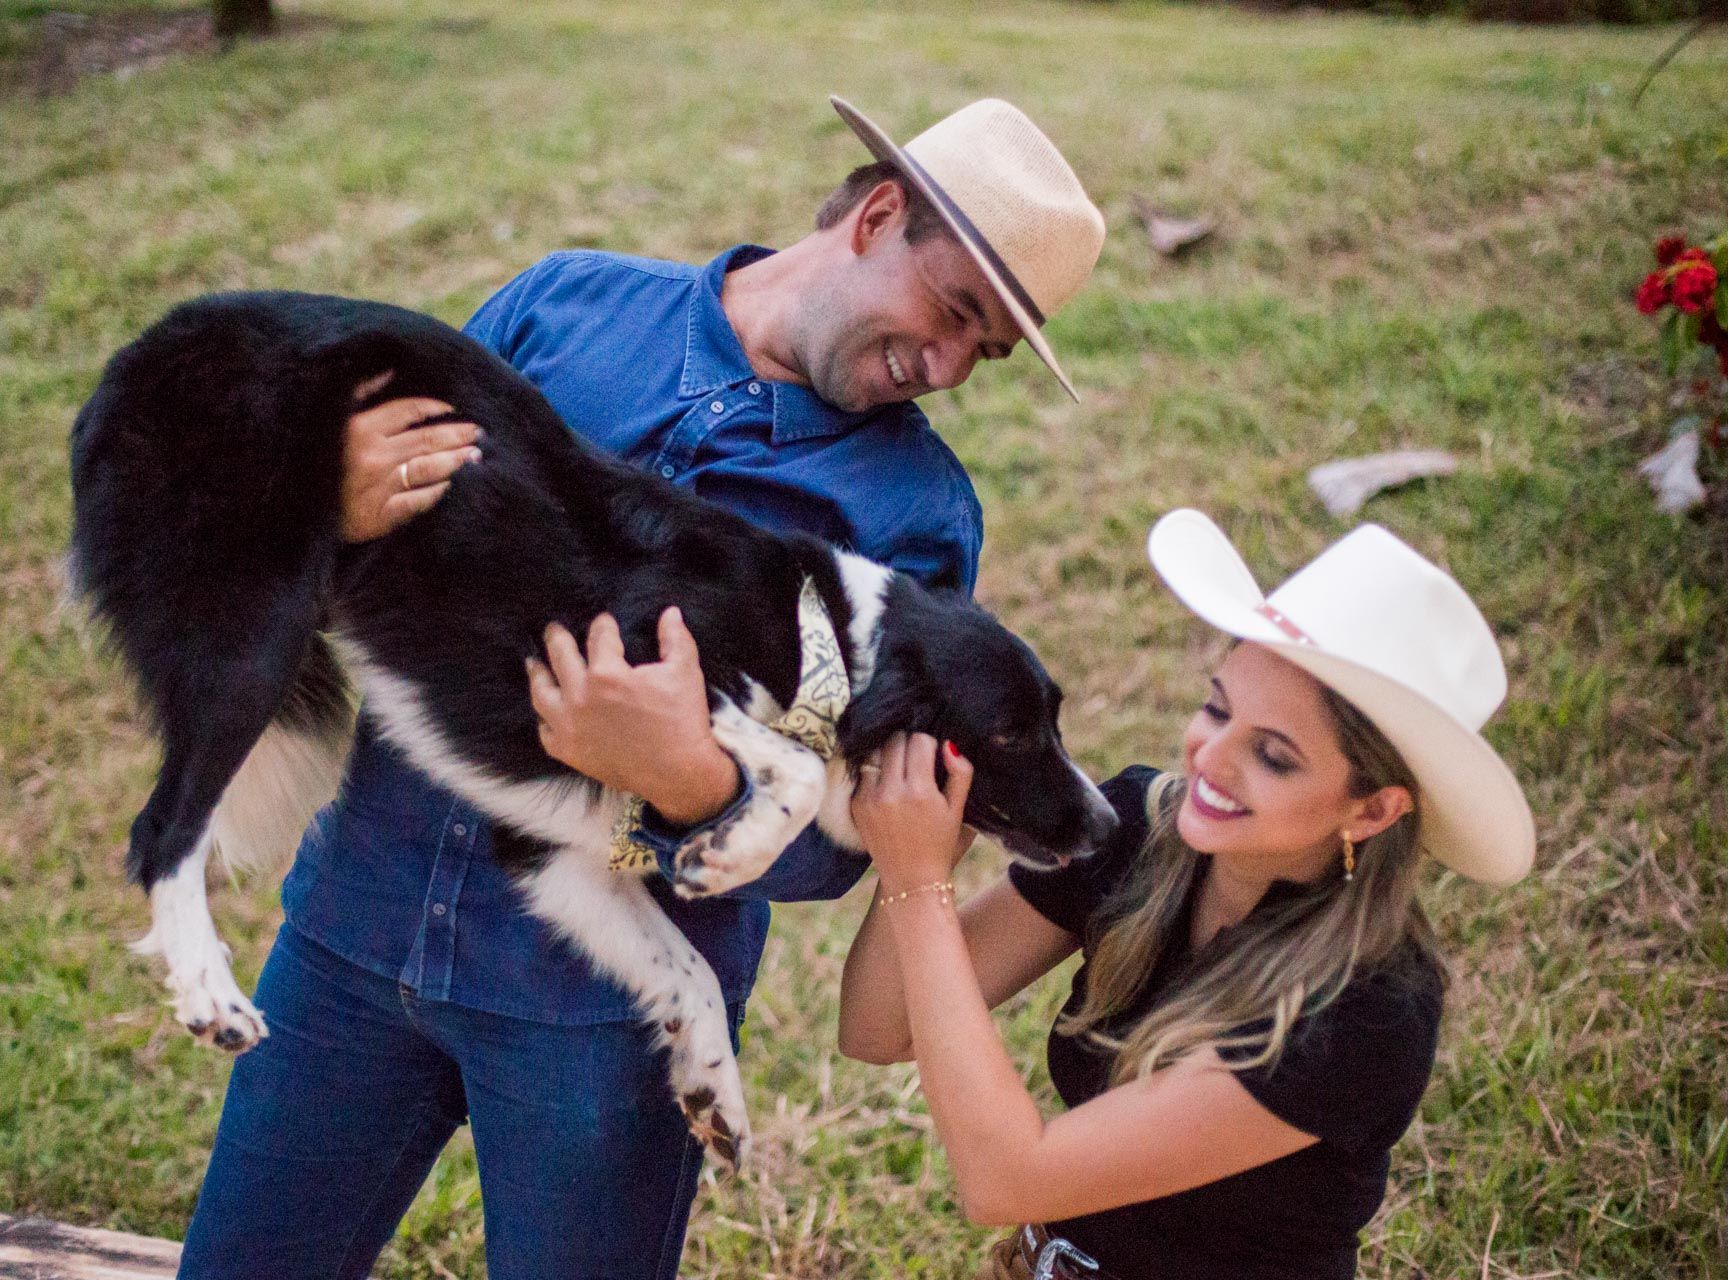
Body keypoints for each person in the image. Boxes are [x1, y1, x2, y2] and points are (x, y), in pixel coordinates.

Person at [175, 96, 1106, 1279]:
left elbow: (847, 842)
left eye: (987, 351)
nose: (951, 364)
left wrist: (690, 776)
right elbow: (347, 535)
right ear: (878, 215)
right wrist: (329, 502)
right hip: (351, 934)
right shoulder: (562, 302)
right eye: (956, 312)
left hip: (608, 1023)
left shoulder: (916, 520)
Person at [840, 509, 1536, 1280]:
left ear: (1373, 809)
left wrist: (918, 883)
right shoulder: (1140, 828)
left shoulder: (1366, 1008)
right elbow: (878, 1027)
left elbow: (1006, 1177)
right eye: (1218, 707)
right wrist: (939, 823)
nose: (1212, 758)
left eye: (1273, 756)